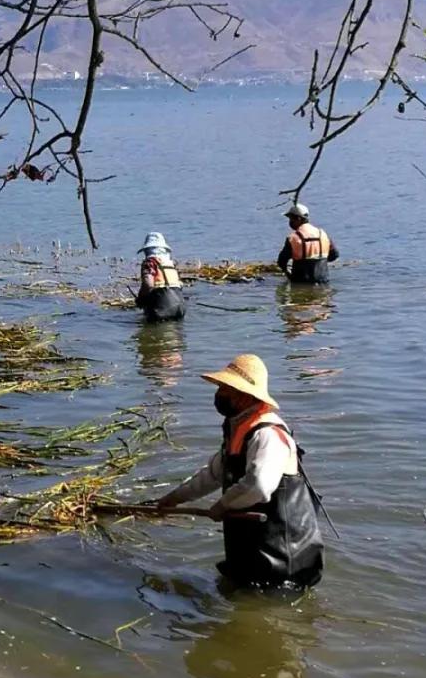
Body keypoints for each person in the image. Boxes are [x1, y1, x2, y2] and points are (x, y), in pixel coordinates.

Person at [154, 353, 324, 588]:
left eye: (225, 389)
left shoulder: (268, 434)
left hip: (282, 559)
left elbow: (259, 486)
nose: (219, 394)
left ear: (245, 396)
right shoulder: (239, 428)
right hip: (252, 553)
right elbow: (212, 475)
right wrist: (173, 499)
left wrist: (222, 505)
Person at [277, 203, 339, 284]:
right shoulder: (322, 234)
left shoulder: (293, 238)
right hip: (323, 282)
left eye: (291, 219)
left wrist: (288, 274)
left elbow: (281, 262)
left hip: (301, 283)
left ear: (298, 219)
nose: (290, 222)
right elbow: (334, 255)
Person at [134, 232, 185, 321]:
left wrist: (141, 299)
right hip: (180, 306)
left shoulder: (150, 263)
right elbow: (179, 284)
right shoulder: (170, 263)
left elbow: (148, 284)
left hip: (163, 308)